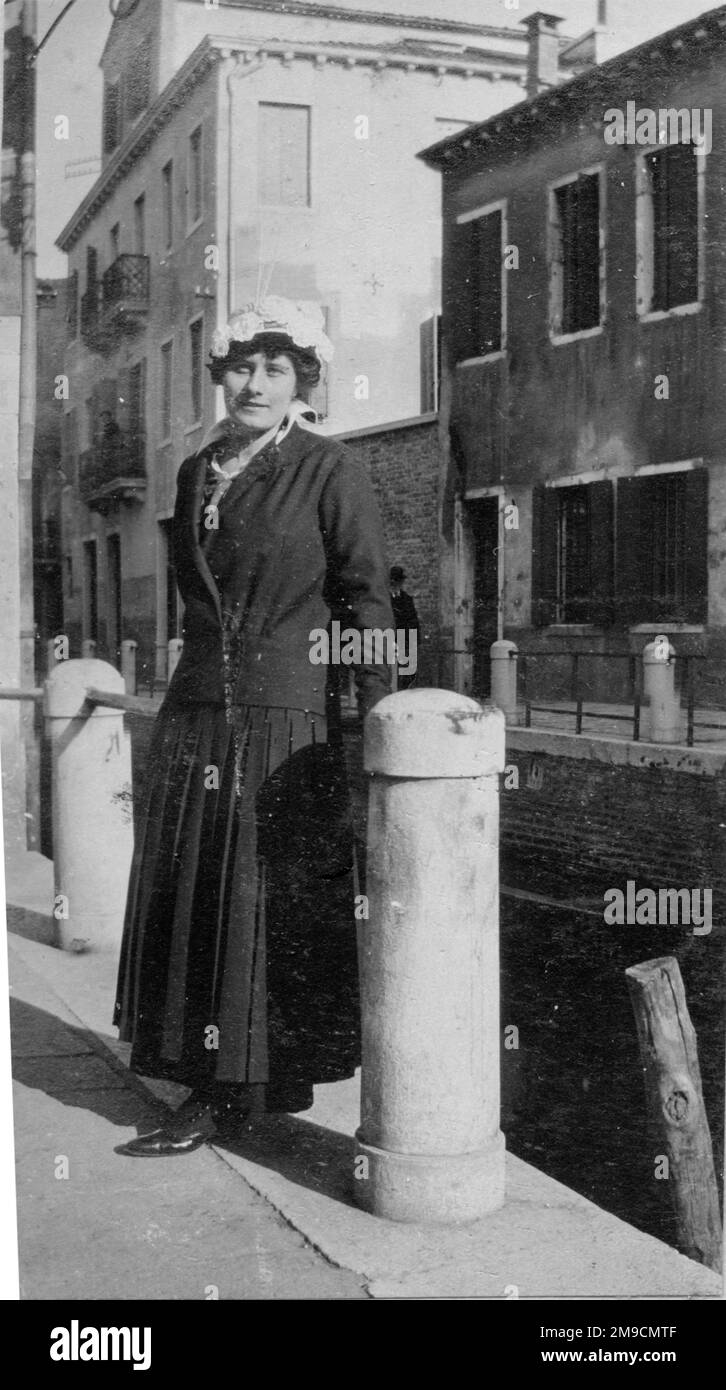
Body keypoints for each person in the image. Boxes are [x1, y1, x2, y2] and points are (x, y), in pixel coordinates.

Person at [114, 297, 393, 1156]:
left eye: (276, 369)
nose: (255, 382)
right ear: (221, 375)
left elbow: (366, 594)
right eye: (241, 365)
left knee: (259, 906)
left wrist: (381, 715)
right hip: (196, 714)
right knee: (195, 894)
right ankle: (205, 1081)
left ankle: (235, 1091)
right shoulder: (198, 469)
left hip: (286, 721)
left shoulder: (326, 467)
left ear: (302, 381)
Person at [389, 565, 420, 690]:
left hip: (405, 642)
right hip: (388, 642)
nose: (396, 584)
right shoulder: (384, 599)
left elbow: (413, 621)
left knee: (407, 674)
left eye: (399, 581)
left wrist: (414, 643)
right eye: (394, 581)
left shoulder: (407, 599)